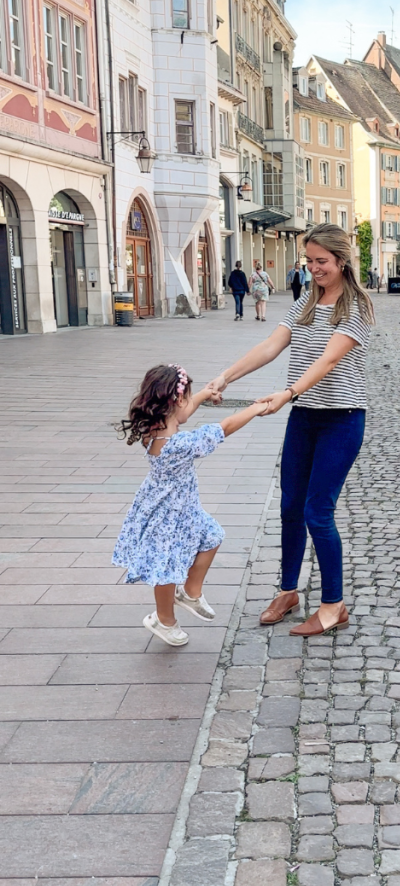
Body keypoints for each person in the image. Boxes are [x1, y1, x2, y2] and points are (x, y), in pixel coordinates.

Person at [209, 223, 375, 637]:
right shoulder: (306, 300)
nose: (314, 268)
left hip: (342, 417)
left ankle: (334, 605)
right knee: (289, 509)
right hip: (305, 418)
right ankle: (287, 592)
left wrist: (289, 391)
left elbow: (329, 361)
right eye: (310, 261)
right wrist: (226, 376)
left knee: (317, 512)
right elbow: (272, 344)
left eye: (322, 262)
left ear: (341, 261)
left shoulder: (356, 308)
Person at [113, 364, 268, 647]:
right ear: (175, 401)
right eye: (188, 397)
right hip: (168, 512)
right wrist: (255, 409)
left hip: (177, 506)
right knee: (167, 566)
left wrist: (204, 395)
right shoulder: (178, 444)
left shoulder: (153, 427)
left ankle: (191, 592)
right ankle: (164, 620)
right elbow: (224, 428)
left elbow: (182, 412)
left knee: (212, 535)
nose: (190, 403)